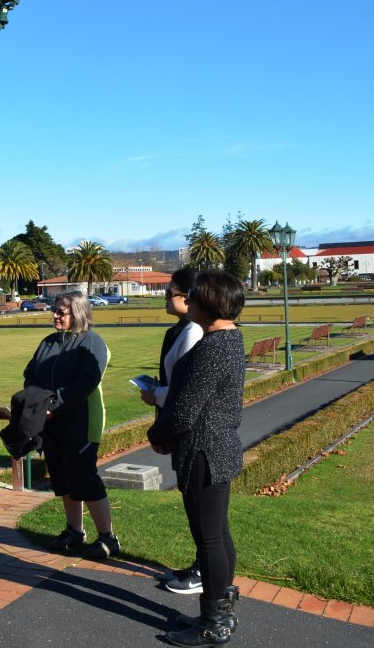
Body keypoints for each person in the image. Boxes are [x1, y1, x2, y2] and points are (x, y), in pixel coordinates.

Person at [147, 271, 246, 646]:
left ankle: (214, 623)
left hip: (204, 450)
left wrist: (157, 435)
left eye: (193, 297)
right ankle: (220, 611)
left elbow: (185, 410)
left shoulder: (212, 347)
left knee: (209, 539)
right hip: (214, 448)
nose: (188, 302)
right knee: (217, 534)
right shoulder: (227, 339)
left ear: (208, 303)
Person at [24, 291, 119, 560]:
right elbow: (30, 374)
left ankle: (108, 537)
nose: (55, 315)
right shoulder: (48, 342)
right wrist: (39, 401)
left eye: (61, 312)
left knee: (84, 477)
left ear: (78, 313)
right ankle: (75, 530)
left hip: (81, 420)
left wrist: (56, 403)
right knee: (63, 478)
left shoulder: (92, 342)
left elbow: (87, 381)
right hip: (51, 420)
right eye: (55, 310)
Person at [141, 268, 205, 595]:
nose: (166, 298)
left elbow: (186, 390)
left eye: (170, 293)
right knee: (192, 501)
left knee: (199, 505)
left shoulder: (193, 332)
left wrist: (155, 395)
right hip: (181, 425)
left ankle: (204, 571)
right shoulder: (181, 330)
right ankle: (202, 566)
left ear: (188, 297)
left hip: (192, 431)